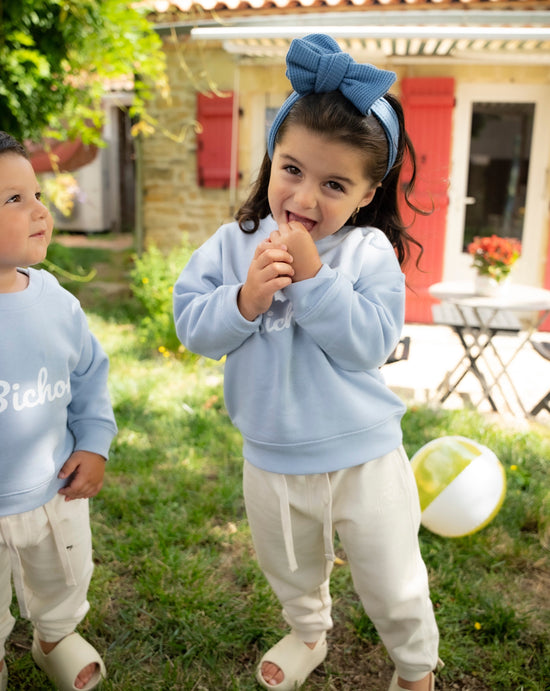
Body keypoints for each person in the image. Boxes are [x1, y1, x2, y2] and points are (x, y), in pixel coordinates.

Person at [173, 34, 440, 691]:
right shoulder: (232, 246)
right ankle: (308, 628)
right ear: (271, 156)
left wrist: (316, 282)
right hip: (271, 455)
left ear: (367, 190)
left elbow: (368, 344)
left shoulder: (367, 252)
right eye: (291, 169)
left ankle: (414, 666)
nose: (305, 197)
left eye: (334, 184)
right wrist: (242, 300)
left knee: (391, 573)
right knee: (289, 563)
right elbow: (193, 327)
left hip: (363, 457)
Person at [0, 131, 117, 691]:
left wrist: (92, 442)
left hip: (54, 488)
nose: (39, 210)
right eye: (14, 200)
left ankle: (54, 636)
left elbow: (90, 376)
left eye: (37, 193)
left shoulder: (55, 302)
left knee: (64, 571)